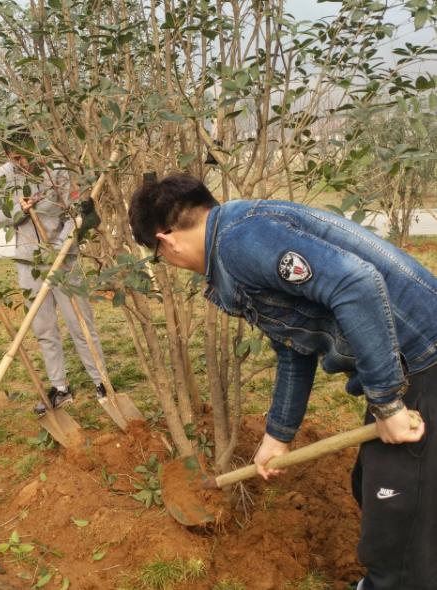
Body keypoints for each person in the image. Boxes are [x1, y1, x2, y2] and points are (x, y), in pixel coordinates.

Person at [128, 172, 436, 590]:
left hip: (425, 362)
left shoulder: (241, 242)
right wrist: (278, 435)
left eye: (161, 257)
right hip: (407, 366)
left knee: (395, 523)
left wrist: (387, 405)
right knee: (371, 484)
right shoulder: (237, 234)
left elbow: (356, 284)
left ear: (165, 241)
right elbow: (295, 345)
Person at [0, 126, 109, 414]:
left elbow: (75, 213)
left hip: (63, 258)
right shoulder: (4, 175)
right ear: (8, 155)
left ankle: (101, 382)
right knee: (43, 328)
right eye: (17, 157)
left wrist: (62, 246)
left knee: (80, 323)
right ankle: (60, 388)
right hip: (29, 262)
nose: (24, 162)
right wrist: (17, 210)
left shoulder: (56, 169)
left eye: (27, 155)